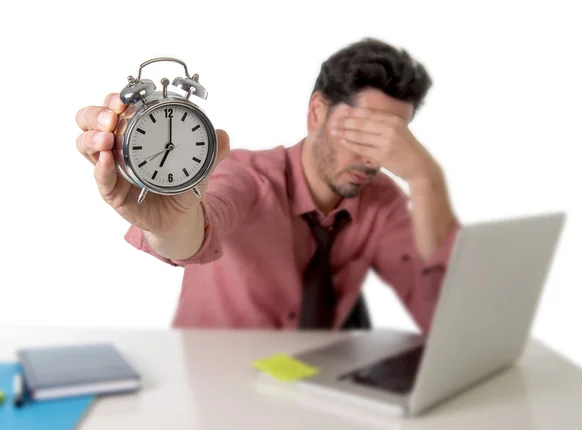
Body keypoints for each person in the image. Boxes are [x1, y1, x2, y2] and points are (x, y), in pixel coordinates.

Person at [75, 37, 460, 334]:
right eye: (364, 131)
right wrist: (168, 224)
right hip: (211, 394)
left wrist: (427, 180)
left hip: (318, 393)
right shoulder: (247, 176)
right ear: (316, 113)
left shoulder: (381, 202)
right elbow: (194, 232)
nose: (372, 157)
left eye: (391, 140)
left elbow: (439, 311)